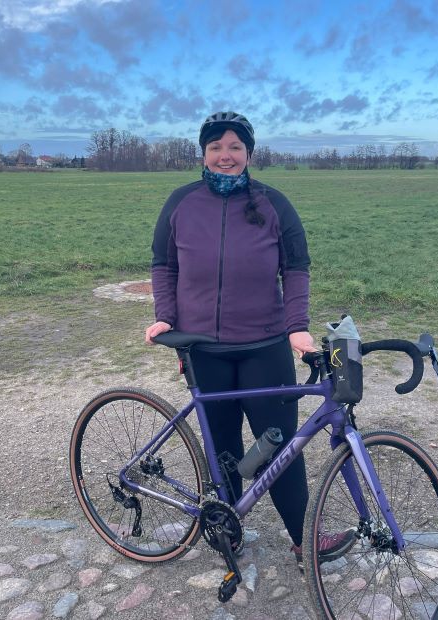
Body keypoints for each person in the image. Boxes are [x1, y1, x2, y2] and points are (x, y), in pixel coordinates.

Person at [145, 111, 351, 567]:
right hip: (202, 348)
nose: (225, 155)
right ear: (203, 153)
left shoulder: (273, 203)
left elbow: (295, 268)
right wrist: (166, 317)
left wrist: (297, 327)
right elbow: (164, 265)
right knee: (222, 446)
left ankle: (303, 538)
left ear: (249, 154)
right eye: (216, 147)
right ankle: (227, 530)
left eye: (235, 147)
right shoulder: (181, 202)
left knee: (277, 446)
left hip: (265, 345)